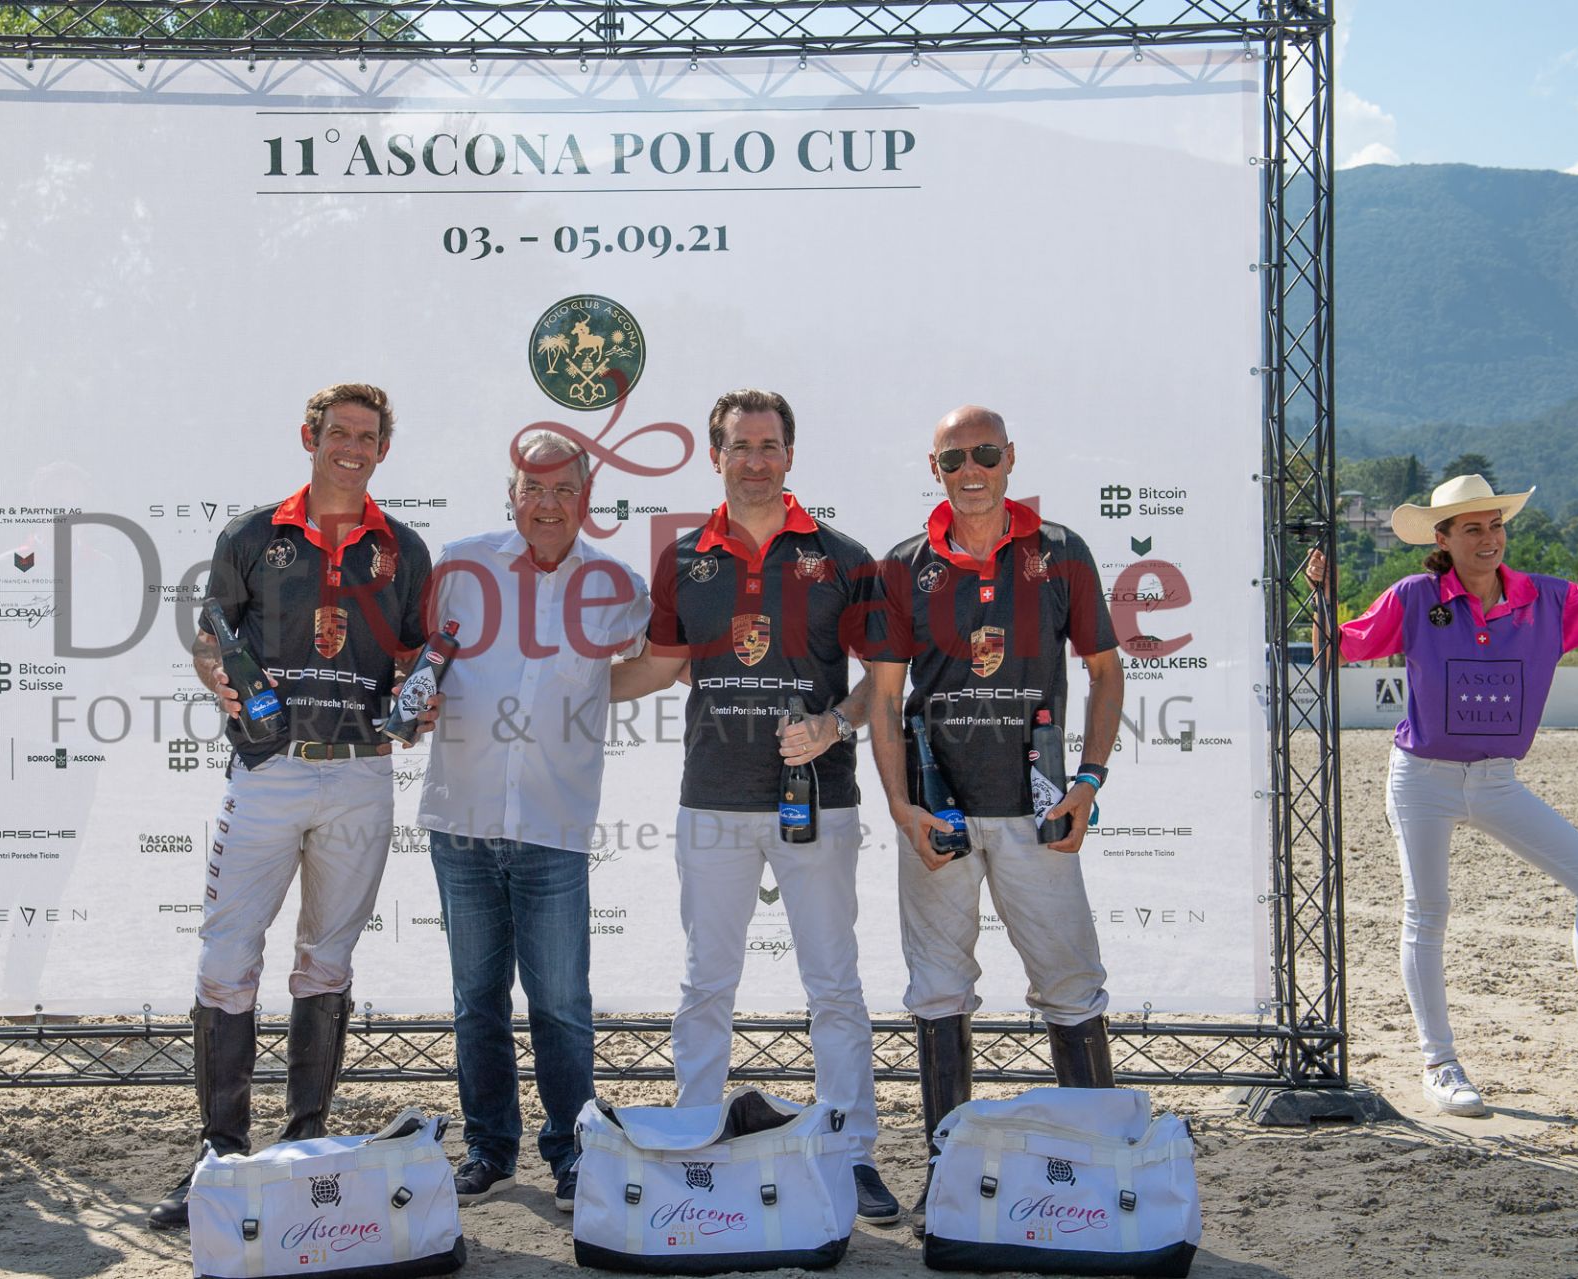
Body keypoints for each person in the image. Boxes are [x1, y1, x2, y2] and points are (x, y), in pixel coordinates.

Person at [610, 388, 901, 1225]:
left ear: (790, 455)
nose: (755, 460)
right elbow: (660, 665)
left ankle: (850, 1153)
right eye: (740, 446)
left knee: (833, 984)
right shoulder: (683, 558)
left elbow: (882, 679)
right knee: (707, 981)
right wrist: (565, 684)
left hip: (817, 801)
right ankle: (697, 1140)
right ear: (716, 456)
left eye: (769, 445)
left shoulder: (841, 556)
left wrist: (834, 723)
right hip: (712, 799)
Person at [148, 383, 433, 1230]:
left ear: (383, 449)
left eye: (367, 437)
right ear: (309, 438)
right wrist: (219, 679)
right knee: (226, 955)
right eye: (338, 432)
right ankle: (221, 1151)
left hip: (361, 770)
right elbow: (211, 640)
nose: (352, 447)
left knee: (327, 961)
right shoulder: (250, 536)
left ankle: (306, 1138)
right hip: (268, 767)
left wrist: (419, 699)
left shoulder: (405, 547)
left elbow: (417, 654)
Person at [864, 405, 1123, 1202]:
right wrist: (901, 806)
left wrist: (1089, 780)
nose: (970, 471)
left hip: (1035, 805)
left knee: (1070, 983)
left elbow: (1106, 671)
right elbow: (883, 698)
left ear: (1010, 457)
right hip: (938, 808)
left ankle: (1097, 1176)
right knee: (938, 988)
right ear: (934, 468)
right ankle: (947, 1180)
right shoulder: (902, 565)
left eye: (983, 454)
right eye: (953, 459)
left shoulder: (1062, 551)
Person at [417, 430, 650, 1213]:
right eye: (532, 487)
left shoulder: (617, 585)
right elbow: (419, 661)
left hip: (553, 824)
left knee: (560, 1005)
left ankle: (572, 1152)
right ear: (510, 492)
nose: (547, 504)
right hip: (462, 819)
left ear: (587, 496)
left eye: (563, 489)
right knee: (476, 1000)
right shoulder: (457, 568)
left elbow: (660, 659)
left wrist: (591, 692)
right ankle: (489, 1150)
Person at [1304, 474, 1578, 1117]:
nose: (1490, 538)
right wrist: (1323, 595)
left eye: (1496, 525)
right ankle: (1439, 1063)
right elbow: (1335, 651)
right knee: (1428, 912)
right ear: (1444, 539)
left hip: (1497, 781)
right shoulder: (1414, 595)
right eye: (1473, 528)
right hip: (1421, 780)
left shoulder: (1549, 597)